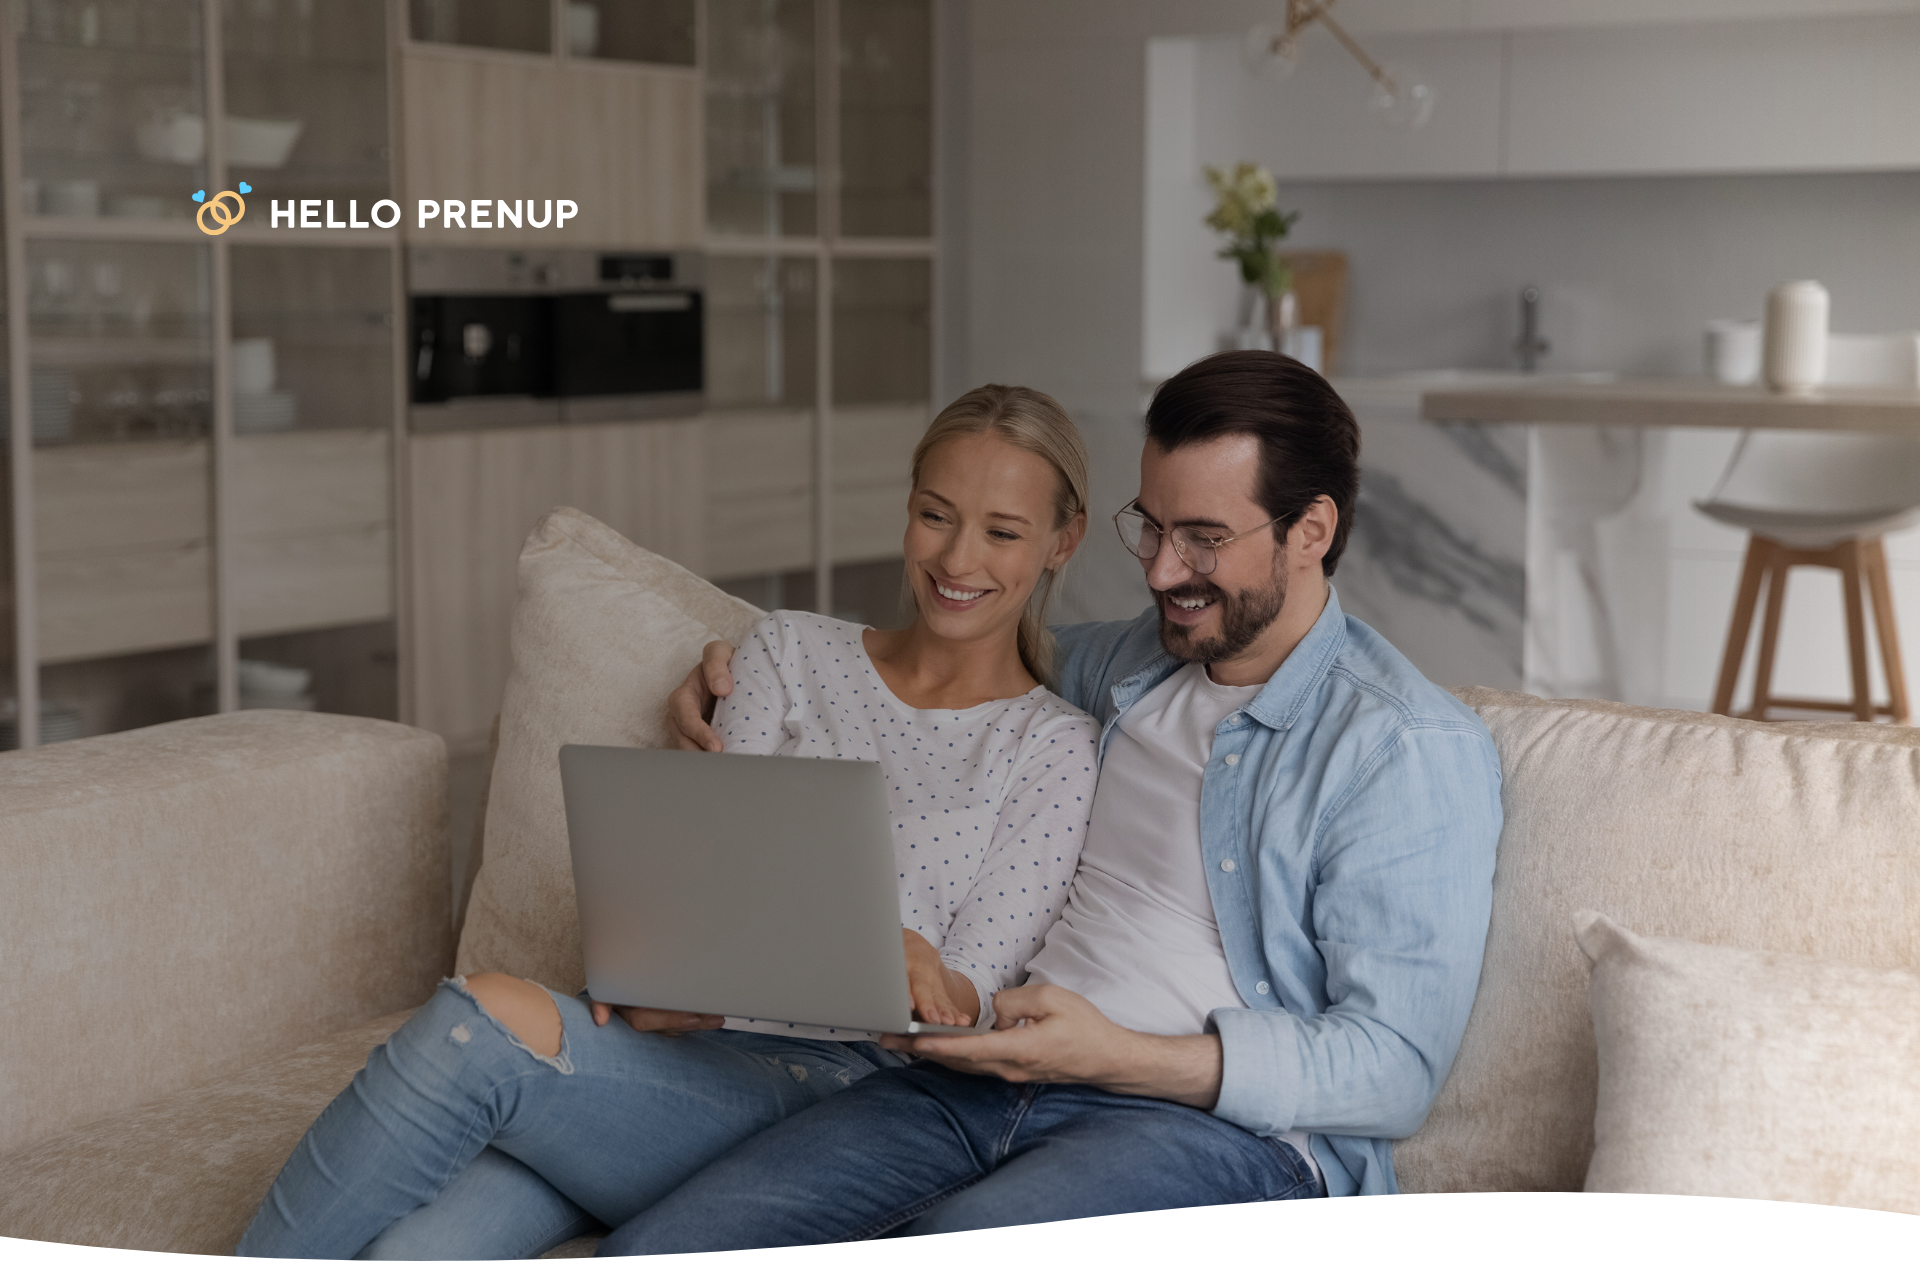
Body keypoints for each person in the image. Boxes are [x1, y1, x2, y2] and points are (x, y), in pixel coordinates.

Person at [619, 349, 1503, 1251]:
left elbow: (1395, 1069)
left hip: (1205, 1132)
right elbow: (939, 648)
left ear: (1310, 530)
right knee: (656, 1253)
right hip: (976, 1083)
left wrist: (1117, 1056)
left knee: (962, 1249)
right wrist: (725, 666)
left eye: (1203, 538)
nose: (1162, 573)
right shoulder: (1121, 664)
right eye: (1151, 528)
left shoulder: (1402, 748)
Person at [237, 385, 1102, 1259]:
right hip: (666, 1053)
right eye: (936, 515)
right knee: (411, 1258)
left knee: (481, 1020)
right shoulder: (789, 651)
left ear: (1062, 542)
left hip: (839, 1099)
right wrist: (660, 975)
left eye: (1002, 532)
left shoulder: (1054, 748)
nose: (958, 558)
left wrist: (910, 969)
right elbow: (702, 882)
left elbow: (974, 1002)